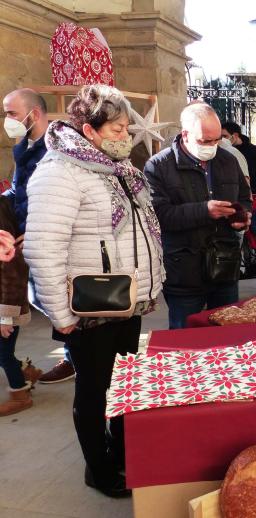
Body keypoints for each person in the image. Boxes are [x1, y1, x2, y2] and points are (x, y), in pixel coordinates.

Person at [24, 85, 163, 498]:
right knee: (93, 389)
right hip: (89, 305)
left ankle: (121, 452)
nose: (126, 135)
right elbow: (43, 245)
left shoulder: (121, 168)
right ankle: (98, 470)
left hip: (126, 298)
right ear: (89, 129)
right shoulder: (60, 171)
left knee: (122, 384)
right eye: (118, 128)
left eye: (126, 127)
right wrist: (60, 315)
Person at [145, 103, 252, 329]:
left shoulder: (228, 160)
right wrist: (205, 210)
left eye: (217, 140)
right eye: (205, 141)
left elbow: (244, 198)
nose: (212, 146)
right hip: (184, 270)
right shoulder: (159, 166)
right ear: (186, 134)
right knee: (185, 340)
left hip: (224, 265)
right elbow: (159, 215)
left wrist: (242, 218)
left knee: (228, 337)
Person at [2, 88, 76, 383]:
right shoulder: (24, 146)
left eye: (11, 113)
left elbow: (59, 198)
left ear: (33, 114)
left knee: (63, 300)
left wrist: (36, 230)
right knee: (38, 298)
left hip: (52, 240)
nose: (7, 120)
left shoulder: (59, 147)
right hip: (25, 238)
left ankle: (74, 358)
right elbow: (22, 191)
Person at [0, 196, 40, 416]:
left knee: (3, 353)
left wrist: (4, 316)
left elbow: (12, 268)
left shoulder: (2, 211)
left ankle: (20, 395)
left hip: (6, 304)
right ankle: (26, 371)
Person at [222, 121, 256, 193]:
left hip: (252, 191)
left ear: (235, 136)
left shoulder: (253, 150)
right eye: (221, 137)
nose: (222, 140)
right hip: (230, 191)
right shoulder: (222, 150)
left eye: (225, 136)